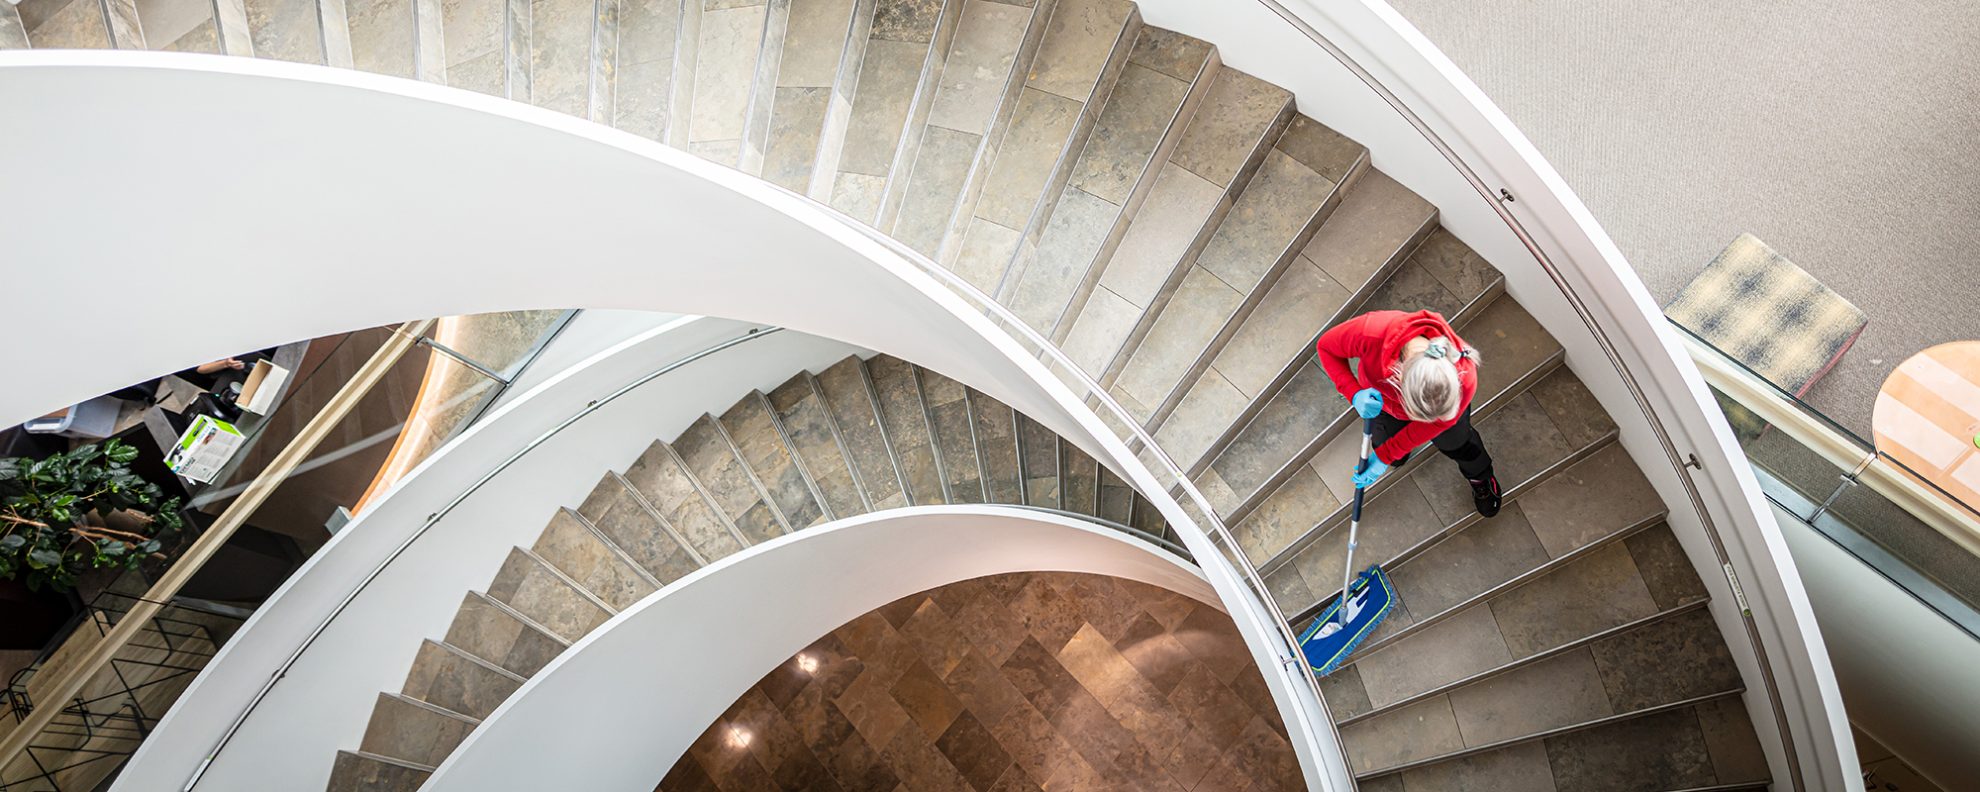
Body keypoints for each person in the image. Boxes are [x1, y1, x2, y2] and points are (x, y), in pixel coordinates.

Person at [1316, 309, 1500, 517]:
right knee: (1388, 446)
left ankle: (1480, 476)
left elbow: (1438, 423)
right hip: (1384, 405)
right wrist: (1354, 393)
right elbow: (1326, 348)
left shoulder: (1465, 376)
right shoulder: (1371, 333)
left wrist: (1386, 454)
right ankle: (1397, 452)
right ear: (1398, 375)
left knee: (1459, 445)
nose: (1420, 423)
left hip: (1442, 416)